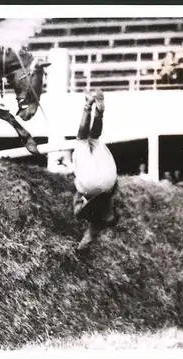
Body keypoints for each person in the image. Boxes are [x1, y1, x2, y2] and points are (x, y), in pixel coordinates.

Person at [58, 88, 118, 250]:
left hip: (109, 179)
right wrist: (79, 251)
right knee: (82, 139)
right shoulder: (94, 223)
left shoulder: (110, 201)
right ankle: (87, 105)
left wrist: (68, 164)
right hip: (91, 184)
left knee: (94, 138)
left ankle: (99, 112)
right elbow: (79, 184)